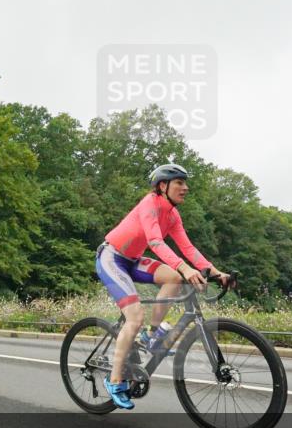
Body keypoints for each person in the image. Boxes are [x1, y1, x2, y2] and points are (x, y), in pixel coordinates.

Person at [95, 163, 231, 410]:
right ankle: (114, 380)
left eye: (185, 183)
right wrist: (185, 268)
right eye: (180, 182)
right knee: (134, 318)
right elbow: (156, 242)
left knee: (174, 278)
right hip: (112, 257)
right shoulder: (150, 203)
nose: (186, 187)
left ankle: (151, 334)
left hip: (133, 260)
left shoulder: (173, 215)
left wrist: (215, 271)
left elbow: (188, 249)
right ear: (162, 186)